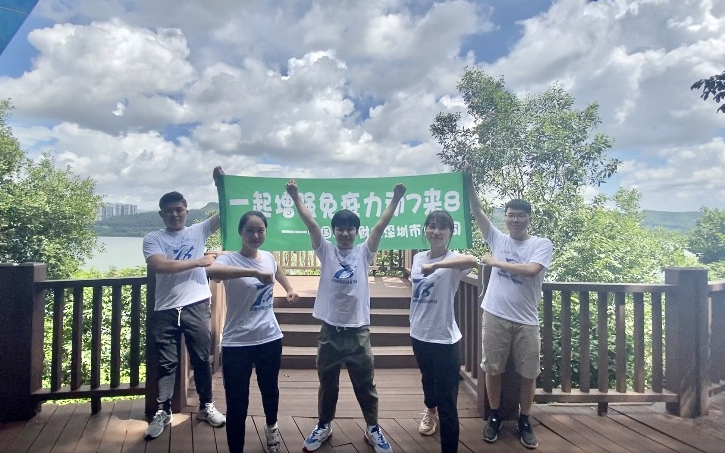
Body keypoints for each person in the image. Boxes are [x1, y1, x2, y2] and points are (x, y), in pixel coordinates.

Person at [285, 179, 406, 453]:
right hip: (330, 330)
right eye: (340, 228)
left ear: (356, 231)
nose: (345, 233)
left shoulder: (364, 253)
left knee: (365, 384)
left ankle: (372, 428)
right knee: (327, 384)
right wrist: (295, 197)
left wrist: (396, 199)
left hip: (358, 331)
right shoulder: (326, 251)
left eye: (350, 228)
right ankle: (324, 425)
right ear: (334, 231)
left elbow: (380, 226)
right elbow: (311, 224)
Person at [466, 173, 553, 449]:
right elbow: (477, 211)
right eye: (511, 215)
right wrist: (469, 182)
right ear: (505, 217)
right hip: (495, 315)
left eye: (520, 216)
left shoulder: (540, 244)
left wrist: (495, 263)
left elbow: (532, 270)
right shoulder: (498, 239)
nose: (515, 220)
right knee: (493, 369)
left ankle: (525, 419)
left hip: (527, 320)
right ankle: (494, 416)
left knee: (529, 373)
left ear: (529, 219)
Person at [142, 166, 227, 440]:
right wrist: (199, 262)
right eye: (169, 211)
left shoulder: (198, 231)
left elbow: (226, 213)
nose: (175, 214)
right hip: (165, 309)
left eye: (179, 209)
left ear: (186, 211)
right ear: (161, 214)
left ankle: (206, 406)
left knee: (201, 359)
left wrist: (220, 184)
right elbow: (160, 266)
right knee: (167, 363)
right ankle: (162, 411)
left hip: (196, 305)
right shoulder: (154, 238)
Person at [206, 210, 300, 453]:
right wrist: (254, 272)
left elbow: (276, 269)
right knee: (237, 401)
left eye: (260, 230)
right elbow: (212, 272)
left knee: (270, 390)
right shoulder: (229, 260)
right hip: (237, 343)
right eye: (249, 230)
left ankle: (271, 429)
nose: (255, 235)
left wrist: (289, 288)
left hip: (269, 337)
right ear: (240, 232)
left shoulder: (268, 256)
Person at [410, 210, 478, 453]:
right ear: (425, 229)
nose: (436, 231)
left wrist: (436, 265)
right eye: (431, 226)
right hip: (419, 333)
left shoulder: (454, 259)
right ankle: (430, 412)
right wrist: (428, 263)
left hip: (445, 338)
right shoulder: (417, 258)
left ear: (450, 232)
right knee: (427, 379)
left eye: (442, 227)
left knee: (448, 401)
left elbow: (473, 261)